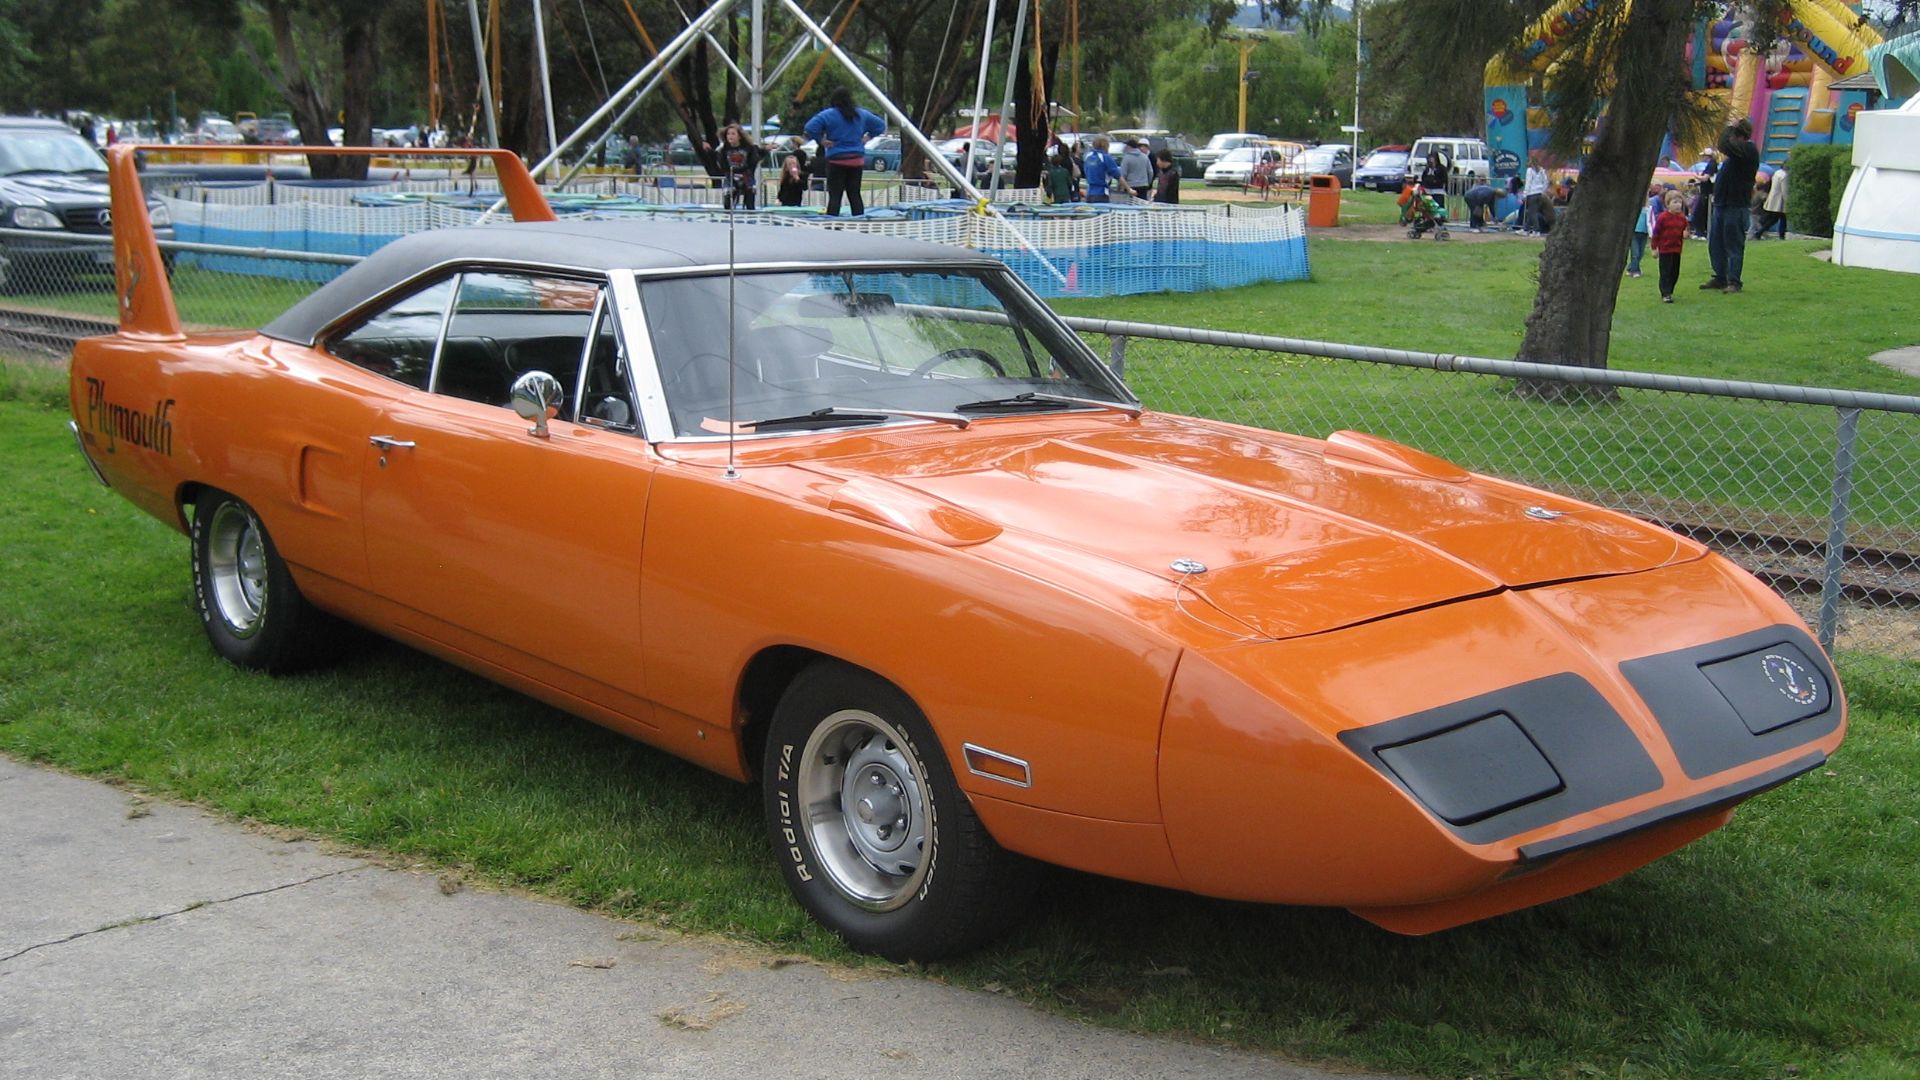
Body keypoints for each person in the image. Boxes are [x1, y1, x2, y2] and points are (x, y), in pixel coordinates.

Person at [803, 86, 885, 216]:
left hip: (836, 159)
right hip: (856, 160)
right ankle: (860, 224)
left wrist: (821, 140)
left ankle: (832, 225)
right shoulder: (861, 114)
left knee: (835, 196)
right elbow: (881, 125)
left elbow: (809, 127)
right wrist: (867, 137)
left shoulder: (828, 114)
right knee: (854, 194)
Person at [1702, 117, 1758, 293]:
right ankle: (1720, 276)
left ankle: (1734, 280)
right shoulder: (1734, 157)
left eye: (1733, 136)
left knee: (1733, 244)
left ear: (1739, 137)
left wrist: (1729, 128)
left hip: (1736, 205)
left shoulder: (1748, 150)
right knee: (1716, 243)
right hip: (1722, 204)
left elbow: (1723, 145)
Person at [706, 122, 764, 210]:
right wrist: (709, 150)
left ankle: (750, 217)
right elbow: (717, 158)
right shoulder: (723, 148)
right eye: (728, 134)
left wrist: (767, 149)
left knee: (750, 195)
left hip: (746, 176)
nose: (730, 136)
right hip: (730, 176)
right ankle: (728, 216)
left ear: (739, 136)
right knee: (728, 196)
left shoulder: (749, 147)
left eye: (733, 134)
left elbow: (758, 156)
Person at [1652, 188, 1689, 303]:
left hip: (1676, 249)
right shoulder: (1663, 217)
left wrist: (1686, 232)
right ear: (1668, 204)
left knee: (1675, 271)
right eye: (1675, 202)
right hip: (1665, 249)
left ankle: (1670, 290)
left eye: (1680, 203)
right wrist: (1654, 248)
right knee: (1665, 271)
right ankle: (1665, 292)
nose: (1678, 205)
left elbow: (1686, 228)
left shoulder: (1682, 218)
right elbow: (1656, 233)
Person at [1082, 135, 1122, 203]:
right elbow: (1118, 175)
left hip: (1089, 191)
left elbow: (1085, 171)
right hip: (1101, 192)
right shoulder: (1105, 157)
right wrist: (1129, 189)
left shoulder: (1088, 157)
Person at [1626, 185, 1654, 277]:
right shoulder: (1634, 209)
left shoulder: (1648, 209)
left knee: (1641, 253)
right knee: (1635, 253)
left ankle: (1631, 268)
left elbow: (1651, 220)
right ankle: (1635, 271)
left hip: (1644, 233)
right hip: (1635, 233)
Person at [1754, 163, 1789, 239]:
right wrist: (1788, 201)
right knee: (1781, 218)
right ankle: (1781, 235)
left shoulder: (1777, 173)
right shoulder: (1784, 176)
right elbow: (1784, 190)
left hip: (1773, 199)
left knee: (1774, 219)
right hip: (1779, 201)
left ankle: (1759, 233)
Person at [1521, 157, 1549, 235]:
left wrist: (1525, 194)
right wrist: (1543, 190)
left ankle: (1537, 230)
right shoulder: (1542, 170)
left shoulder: (1529, 170)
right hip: (1539, 193)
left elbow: (1528, 183)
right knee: (1532, 212)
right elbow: (1546, 182)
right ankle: (1526, 229)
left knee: (1532, 213)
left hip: (1531, 193)